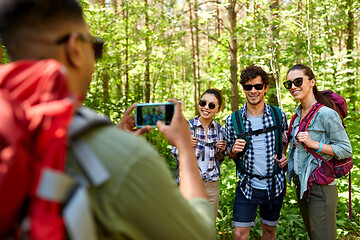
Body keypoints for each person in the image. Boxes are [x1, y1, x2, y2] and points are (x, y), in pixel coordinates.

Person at [0, 0, 216, 239]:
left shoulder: (9, 127)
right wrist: (185, 146)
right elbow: (200, 234)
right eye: (94, 48)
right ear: (74, 49)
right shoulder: (129, 159)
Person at [284, 64, 352, 240]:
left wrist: (315, 144)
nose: (293, 87)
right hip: (303, 185)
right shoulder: (297, 114)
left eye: (298, 81)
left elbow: (345, 149)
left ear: (312, 81)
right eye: (288, 84)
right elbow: (301, 149)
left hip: (321, 186)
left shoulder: (326, 114)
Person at [224, 65, 288, 240]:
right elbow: (227, 152)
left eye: (258, 86)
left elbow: (285, 140)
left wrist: (284, 156)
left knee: (268, 230)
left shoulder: (278, 115)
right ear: (243, 89)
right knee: (239, 234)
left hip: (275, 184)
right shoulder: (232, 120)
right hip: (247, 185)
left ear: (265, 88)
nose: (253, 91)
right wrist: (232, 150)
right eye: (248, 87)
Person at [171, 88, 226, 218]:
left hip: (211, 186)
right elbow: (173, 152)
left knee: (207, 227)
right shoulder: (186, 126)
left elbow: (220, 159)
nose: (206, 107)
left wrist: (222, 150)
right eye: (203, 103)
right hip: (189, 184)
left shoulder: (220, 130)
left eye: (211, 105)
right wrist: (185, 145)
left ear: (218, 109)